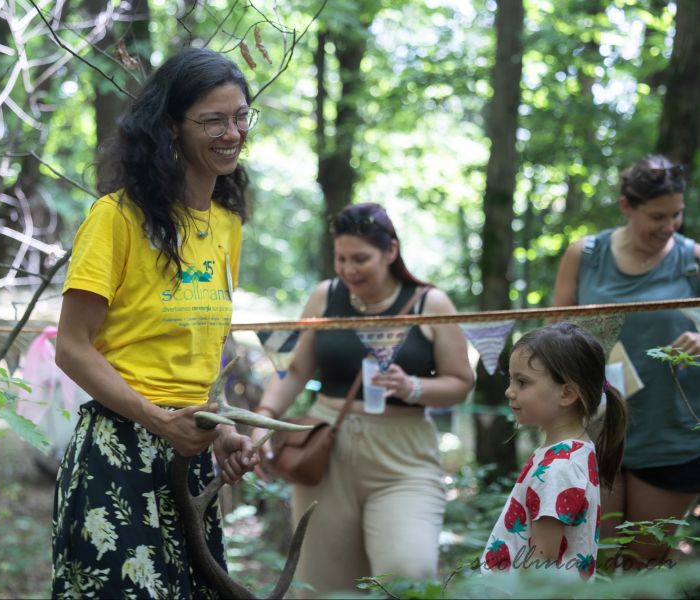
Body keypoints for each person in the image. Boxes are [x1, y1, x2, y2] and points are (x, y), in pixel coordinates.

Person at [51, 47, 260, 599]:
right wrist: (158, 420)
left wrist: (221, 429)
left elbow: (200, 354)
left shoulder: (226, 225)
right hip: (117, 450)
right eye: (213, 120)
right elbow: (71, 347)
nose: (232, 133)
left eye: (241, 116)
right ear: (171, 127)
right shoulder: (116, 218)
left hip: (189, 461)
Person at [250, 203, 474, 595]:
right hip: (325, 451)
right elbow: (295, 370)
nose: (349, 269)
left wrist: (413, 387)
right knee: (322, 587)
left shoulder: (430, 302)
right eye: (341, 259)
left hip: (403, 458)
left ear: (390, 251)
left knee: (407, 577)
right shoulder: (325, 296)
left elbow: (461, 381)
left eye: (360, 259)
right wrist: (264, 418)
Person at [553, 154, 700, 567]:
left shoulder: (693, 260)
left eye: (676, 214)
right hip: (594, 431)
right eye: (657, 216)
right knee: (591, 565)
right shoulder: (586, 255)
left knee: (643, 572)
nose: (669, 226)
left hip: (670, 436)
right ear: (626, 207)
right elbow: (553, 337)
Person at [480, 322, 627, 581]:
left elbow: (542, 561)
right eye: (511, 379)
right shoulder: (574, 451)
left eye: (522, 382)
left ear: (566, 394)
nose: (509, 391)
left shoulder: (560, 467)